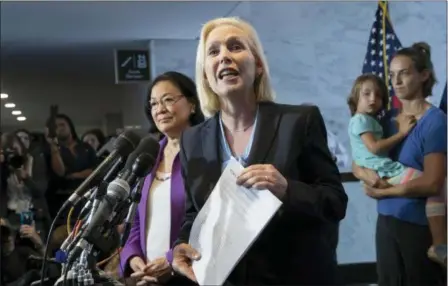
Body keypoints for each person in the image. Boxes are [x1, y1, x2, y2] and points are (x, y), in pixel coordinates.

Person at [171, 17, 347, 285]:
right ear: (206, 74)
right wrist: (183, 244)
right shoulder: (192, 140)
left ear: (259, 65)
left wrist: (287, 189)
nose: (225, 56)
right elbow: (194, 213)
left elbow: (335, 201)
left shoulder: (300, 121)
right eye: (214, 51)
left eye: (235, 46)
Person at [352, 42, 446, 285]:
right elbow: (359, 159)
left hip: (418, 227)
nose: (396, 81)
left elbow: (433, 183)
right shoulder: (384, 119)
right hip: (386, 222)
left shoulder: (435, 122)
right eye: (392, 75)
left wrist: (386, 191)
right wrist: (365, 175)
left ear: (424, 75)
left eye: (404, 73)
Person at [120, 71, 205, 285]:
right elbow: (135, 219)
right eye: (154, 103)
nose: (160, 110)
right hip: (148, 277)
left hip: (191, 274)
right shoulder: (148, 155)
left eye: (168, 100)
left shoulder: (206, 153)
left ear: (192, 104)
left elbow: (208, 220)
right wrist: (133, 258)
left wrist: (170, 260)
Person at [0, 132, 51, 239]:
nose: (12, 153)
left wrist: (26, 178)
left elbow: (41, 191)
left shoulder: (35, 161)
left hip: (35, 214)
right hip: (11, 215)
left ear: (20, 146)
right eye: (7, 150)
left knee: (37, 248)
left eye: (14, 148)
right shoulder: (4, 167)